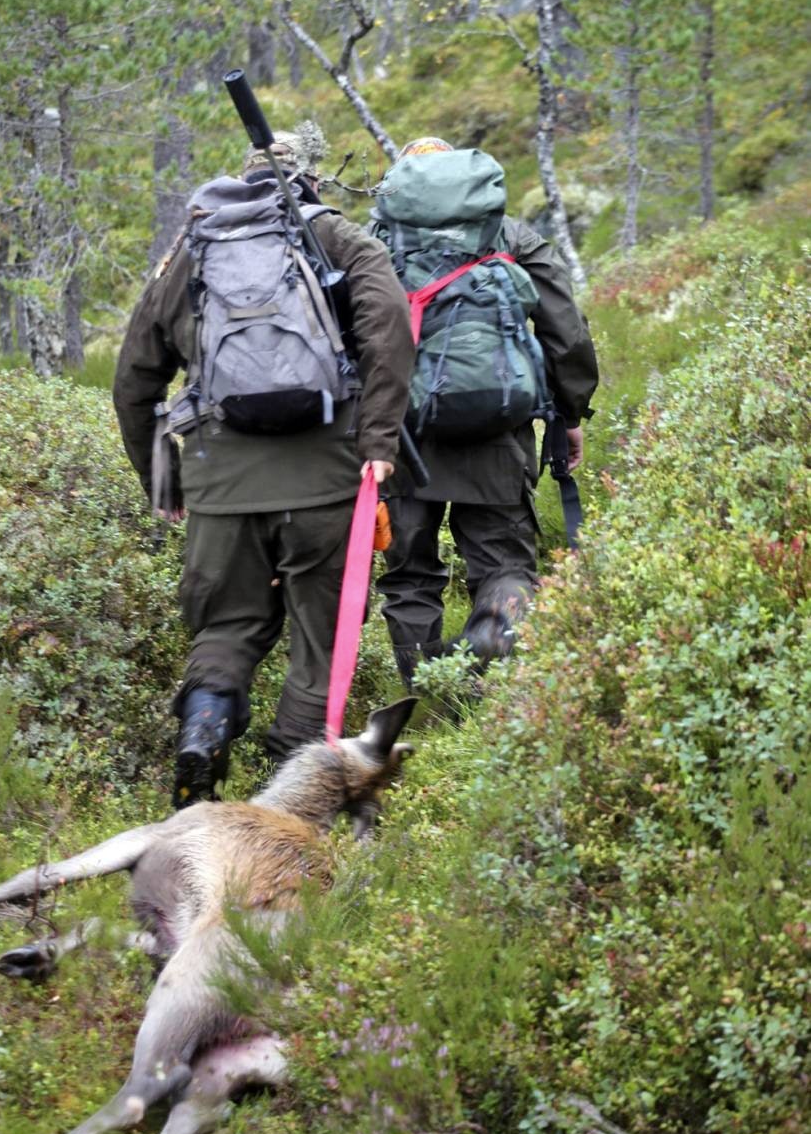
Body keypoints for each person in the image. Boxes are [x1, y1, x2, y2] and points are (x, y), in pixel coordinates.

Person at [113, 126, 414, 806]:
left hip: (221, 483)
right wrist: (378, 445)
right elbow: (389, 325)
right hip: (329, 482)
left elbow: (133, 380)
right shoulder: (336, 239)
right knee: (319, 638)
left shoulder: (191, 253)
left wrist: (165, 478)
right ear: (308, 177)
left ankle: (204, 733)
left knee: (225, 626)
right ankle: (290, 795)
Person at [370, 137, 599, 686]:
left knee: (411, 577)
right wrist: (569, 416)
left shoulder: (376, 241)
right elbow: (565, 330)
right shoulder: (509, 234)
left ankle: (429, 695)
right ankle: (493, 638)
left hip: (403, 435)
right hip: (499, 425)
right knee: (506, 564)